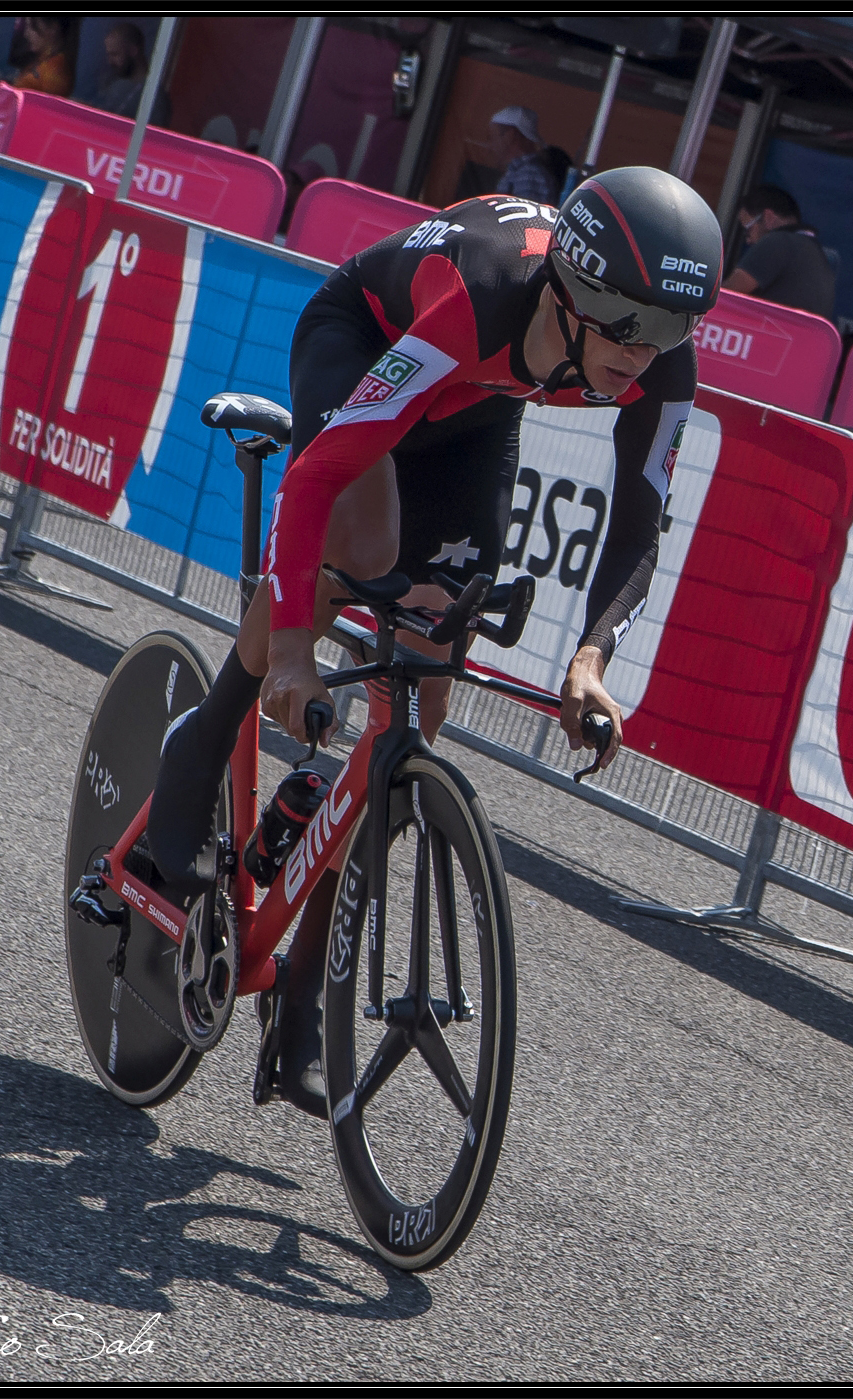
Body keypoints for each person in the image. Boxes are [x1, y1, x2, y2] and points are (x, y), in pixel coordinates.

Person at [146, 166, 722, 1117]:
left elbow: (641, 522)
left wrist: (591, 660)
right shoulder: (481, 298)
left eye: (669, 328)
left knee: (426, 683)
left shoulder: (661, 362)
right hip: (370, 340)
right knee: (357, 550)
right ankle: (201, 741)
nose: (644, 350)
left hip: (476, 407)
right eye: (626, 320)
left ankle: (303, 982)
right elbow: (319, 475)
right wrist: (295, 648)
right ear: (572, 289)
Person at [723, 185, 836, 320]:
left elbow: (725, 296)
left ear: (769, 217)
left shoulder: (778, 242)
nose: (748, 241)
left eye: (748, 230)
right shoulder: (815, 252)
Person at [453, 106, 560, 204]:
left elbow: (521, 222)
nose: (490, 148)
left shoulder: (528, 175)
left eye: (491, 138)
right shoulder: (519, 172)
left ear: (510, 136)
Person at [0, 16, 74, 102]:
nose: (26, 33)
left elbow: (40, 114)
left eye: (32, 27)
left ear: (53, 29)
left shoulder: (56, 72)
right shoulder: (42, 60)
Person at [89, 22, 169, 123]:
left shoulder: (155, 99)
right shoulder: (114, 84)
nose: (110, 61)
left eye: (115, 54)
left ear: (133, 51)